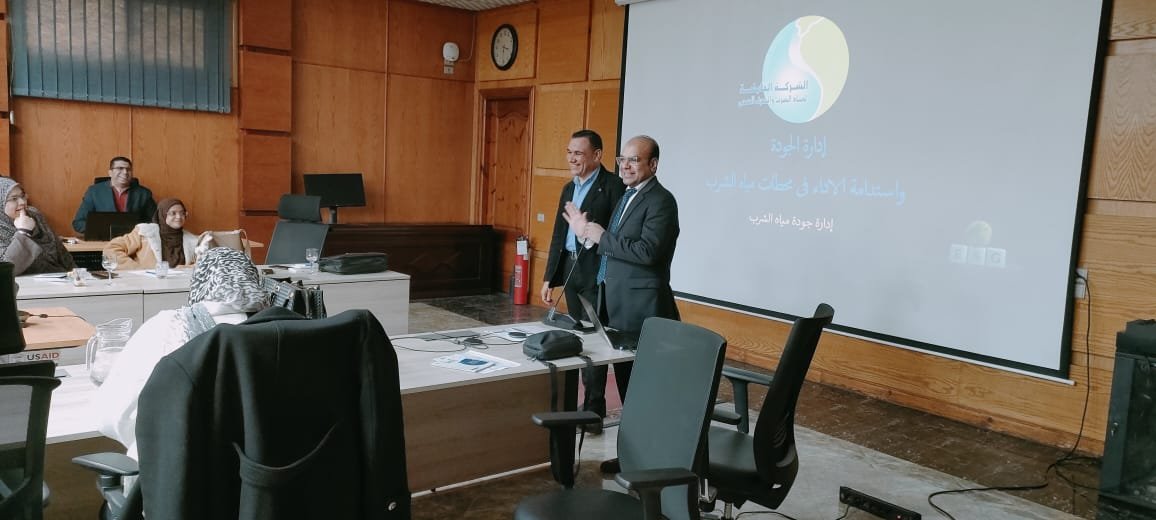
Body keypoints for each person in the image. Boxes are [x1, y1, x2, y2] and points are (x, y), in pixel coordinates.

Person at [564, 135, 680, 471]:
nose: (625, 166)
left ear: (653, 164)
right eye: (622, 160)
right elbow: (613, 246)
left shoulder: (661, 201)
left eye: (634, 160)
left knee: (642, 391)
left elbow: (647, 252)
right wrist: (587, 234)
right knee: (629, 388)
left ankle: (650, 463)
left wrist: (600, 235)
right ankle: (632, 459)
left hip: (642, 309)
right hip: (615, 304)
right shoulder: (628, 196)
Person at [93, 247, 270, 459]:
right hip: (259, 469)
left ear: (199, 281)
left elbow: (110, 416)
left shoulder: (169, 327)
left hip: (179, 468)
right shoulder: (280, 333)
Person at [540, 129, 625, 434]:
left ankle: (593, 409)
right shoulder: (568, 188)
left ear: (597, 155)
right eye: (569, 152)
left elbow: (616, 235)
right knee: (579, 340)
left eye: (578, 153)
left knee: (596, 341)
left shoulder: (613, 186)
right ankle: (588, 405)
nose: (572, 158)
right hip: (571, 270)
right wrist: (549, 277)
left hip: (597, 273)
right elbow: (558, 235)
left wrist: (588, 231)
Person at [0, 177, 76, 275]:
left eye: (22, 196)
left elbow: (61, 252)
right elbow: (6, 270)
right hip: (23, 283)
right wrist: (23, 232)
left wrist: (78, 275)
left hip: (59, 278)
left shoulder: (34, 214)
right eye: (14, 199)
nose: (22, 202)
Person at [103, 198, 203, 269]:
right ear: (162, 215)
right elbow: (112, 248)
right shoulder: (144, 232)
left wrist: (183, 269)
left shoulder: (193, 240)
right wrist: (136, 269)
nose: (179, 217)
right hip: (146, 285)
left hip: (180, 286)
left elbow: (201, 265)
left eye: (182, 213)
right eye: (173, 213)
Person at [72, 156, 158, 234]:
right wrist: (101, 229)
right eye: (120, 168)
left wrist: (140, 231)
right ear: (110, 173)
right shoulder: (94, 192)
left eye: (128, 169)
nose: (125, 172)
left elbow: (155, 221)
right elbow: (78, 223)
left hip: (133, 240)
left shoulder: (144, 193)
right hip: (102, 240)